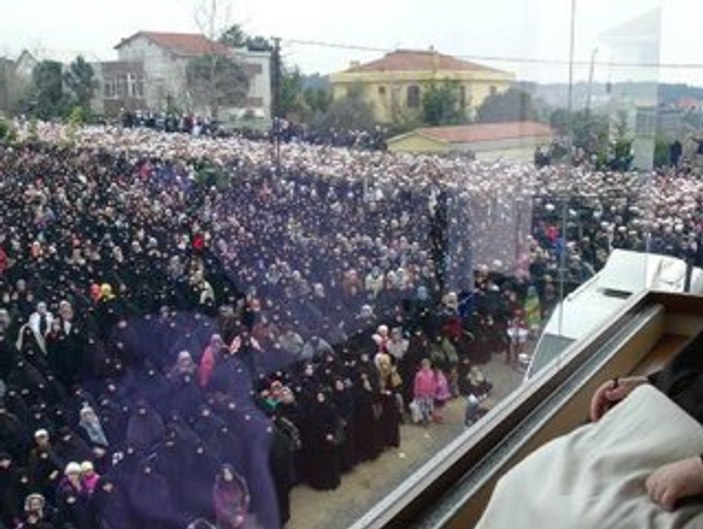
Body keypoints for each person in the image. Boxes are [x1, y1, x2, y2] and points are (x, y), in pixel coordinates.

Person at [212, 464, 249, 529]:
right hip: (225, 522)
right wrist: (232, 518)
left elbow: (245, 500)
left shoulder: (239, 483)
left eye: (229, 473)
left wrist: (241, 516)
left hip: (239, 519)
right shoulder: (219, 486)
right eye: (225, 473)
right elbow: (218, 506)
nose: (227, 475)